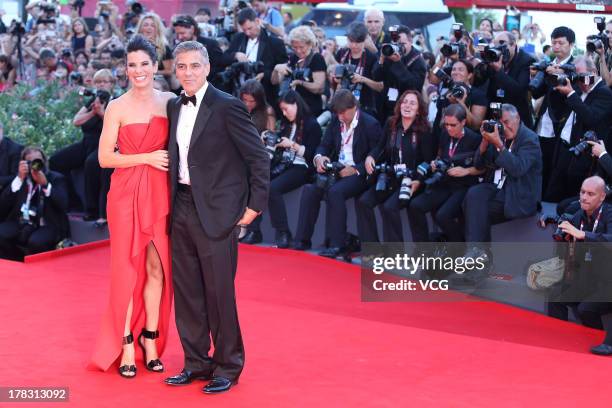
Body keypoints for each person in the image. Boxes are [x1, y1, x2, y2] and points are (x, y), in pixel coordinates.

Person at [163, 41, 269, 394]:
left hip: (219, 213)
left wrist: (253, 208)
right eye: (182, 66)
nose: (188, 72)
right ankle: (195, 362)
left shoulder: (228, 106)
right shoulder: (175, 106)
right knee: (188, 290)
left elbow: (258, 158)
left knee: (219, 292)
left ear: (207, 68)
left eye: (195, 66)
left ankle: (228, 365)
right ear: (174, 70)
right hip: (181, 206)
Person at [89, 35, 176, 379]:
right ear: (125, 68)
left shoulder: (170, 101)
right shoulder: (117, 106)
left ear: (155, 66)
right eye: (132, 64)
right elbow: (104, 157)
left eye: (144, 64)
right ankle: (125, 342)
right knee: (126, 269)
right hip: (125, 194)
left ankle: (149, 339)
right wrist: (148, 157)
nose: (138, 71)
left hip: (161, 194)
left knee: (158, 269)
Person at [455, 104, 542, 286]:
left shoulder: (530, 139)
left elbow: (518, 169)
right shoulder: (498, 134)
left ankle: (477, 258)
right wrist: (485, 142)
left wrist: (499, 145)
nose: (504, 127)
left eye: (507, 122)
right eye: (501, 123)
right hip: (496, 189)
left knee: (475, 210)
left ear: (517, 118)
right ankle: (478, 255)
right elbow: (479, 164)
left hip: (518, 195)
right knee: (473, 195)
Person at [293, 90, 382, 257]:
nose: (341, 117)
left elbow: (377, 153)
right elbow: (324, 145)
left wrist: (356, 169)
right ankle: (301, 240)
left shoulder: (370, 124)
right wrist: (320, 158)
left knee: (335, 192)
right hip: (336, 169)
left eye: (343, 113)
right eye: (338, 113)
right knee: (310, 190)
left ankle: (337, 244)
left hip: (359, 173)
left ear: (354, 107)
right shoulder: (335, 122)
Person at [242, 90, 322, 247]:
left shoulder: (312, 124)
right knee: (258, 182)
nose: (284, 113)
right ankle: (254, 230)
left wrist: (292, 145)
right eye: (282, 110)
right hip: (284, 164)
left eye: (286, 109)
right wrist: (270, 138)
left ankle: (283, 232)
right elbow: (279, 144)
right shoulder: (288, 124)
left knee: (273, 188)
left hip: (301, 167)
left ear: (296, 104)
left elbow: (312, 155)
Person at [357, 90, 435, 243]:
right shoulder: (391, 123)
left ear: (419, 110)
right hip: (390, 176)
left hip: (411, 179)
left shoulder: (425, 130)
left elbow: (428, 160)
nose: (407, 106)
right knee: (364, 202)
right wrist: (370, 157)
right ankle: (373, 250)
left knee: (389, 207)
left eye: (412, 103)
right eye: (404, 102)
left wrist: (418, 181)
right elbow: (379, 147)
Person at [408, 104, 483, 243]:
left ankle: (460, 247)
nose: (449, 128)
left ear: (463, 122)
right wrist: (435, 163)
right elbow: (441, 155)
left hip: (463, 186)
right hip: (444, 181)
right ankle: (423, 250)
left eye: (453, 125)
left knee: (443, 216)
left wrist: (466, 171)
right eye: (446, 124)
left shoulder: (475, 139)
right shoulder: (444, 133)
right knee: (415, 206)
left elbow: (484, 168)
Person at [49, 69, 115, 221]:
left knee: (91, 163)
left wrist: (101, 112)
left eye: (104, 82)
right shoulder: (93, 100)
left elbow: (115, 125)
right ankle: (73, 200)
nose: (100, 85)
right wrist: (93, 112)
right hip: (86, 142)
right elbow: (76, 121)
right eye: (97, 82)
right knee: (56, 161)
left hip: (104, 143)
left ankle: (92, 210)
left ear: (112, 84)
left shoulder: (117, 100)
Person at [0, 146, 69, 261]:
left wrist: (45, 185)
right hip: (23, 221)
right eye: (30, 162)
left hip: (47, 223)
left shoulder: (56, 178)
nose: (34, 165)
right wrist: (19, 178)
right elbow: (3, 204)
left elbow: (63, 204)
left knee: (36, 242)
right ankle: (16, 261)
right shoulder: (21, 180)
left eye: (38, 160)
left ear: (44, 161)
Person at [219, 7, 288, 104]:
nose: (247, 32)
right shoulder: (238, 38)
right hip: (238, 94)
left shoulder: (275, 43)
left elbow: (283, 70)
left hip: (264, 96)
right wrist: (235, 55)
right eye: (244, 30)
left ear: (257, 21)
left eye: (249, 28)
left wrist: (265, 74)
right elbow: (223, 59)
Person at [272, 26, 327, 117]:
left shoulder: (316, 59)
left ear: (310, 44)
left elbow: (319, 88)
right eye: (294, 47)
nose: (298, 50)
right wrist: (276, 68)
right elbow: (275, 81)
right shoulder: (293, 57)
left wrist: (300, 82)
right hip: (292, 108)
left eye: (301, 47)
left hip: (310, 109)